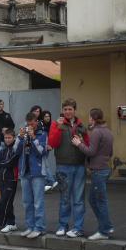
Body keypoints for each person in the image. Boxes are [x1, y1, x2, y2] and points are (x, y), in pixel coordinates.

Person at [49, 98, 89, 238]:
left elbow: (87, 146)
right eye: (65, 109)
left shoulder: (81, 126)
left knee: (78, 199)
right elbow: (52, 143)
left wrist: (83, 142)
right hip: (63, 166)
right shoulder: (56, 124)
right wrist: (58, 129)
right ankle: (62, 225)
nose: (67, 112)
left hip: (79, 167)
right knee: (65, 199)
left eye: (70, 109)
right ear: (62, 110)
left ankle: (78, 227)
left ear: (74, 110)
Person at [72, 108, 114, 240]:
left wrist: (79, 144)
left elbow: (91, 152)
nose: (88, 119)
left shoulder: (96, 132)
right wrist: (84, 143)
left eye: (90, 117)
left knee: (99, 201)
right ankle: (105, 227)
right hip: (104, 168)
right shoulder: (108, 131)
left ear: (93, 118)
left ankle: (105, 229)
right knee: (94, 199)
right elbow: (109, 152)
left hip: (99, 170)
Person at [18, 112, 48, 239]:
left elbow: (42, 151)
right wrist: (19, 138)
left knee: (38, 202)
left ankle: (39, 228)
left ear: (36, 122)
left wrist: (34, 137)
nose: (30, 126)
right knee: (27, 202)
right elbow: (15, 150)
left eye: (32, 124)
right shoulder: (24, 133)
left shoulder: (42, 134)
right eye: (28, 124)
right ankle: (30, 227)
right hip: (25, 171)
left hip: (37, 173)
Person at [0, 129, 20, 233]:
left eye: (9, 138)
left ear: (14, 138)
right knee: (5, 202)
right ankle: (6, 222)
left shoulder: (15, 149)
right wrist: (1, 164)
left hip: (11, 179)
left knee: (6, 202)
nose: (7, 140)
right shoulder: (3, 150)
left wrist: (1, 164)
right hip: (2, 179)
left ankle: (7, 223)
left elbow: (10, 163)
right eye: (6, 138)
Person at [41, 110, 58, 192]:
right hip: (43, 147)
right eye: (45, 116)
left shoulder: (51, 125)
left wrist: (51, 145)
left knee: (44, 164)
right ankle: (50, 181)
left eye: (48, 116)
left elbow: (52, 136)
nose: (47, 118)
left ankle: (50, 181)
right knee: (45, 164)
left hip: (48, 147)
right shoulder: (41, 125)